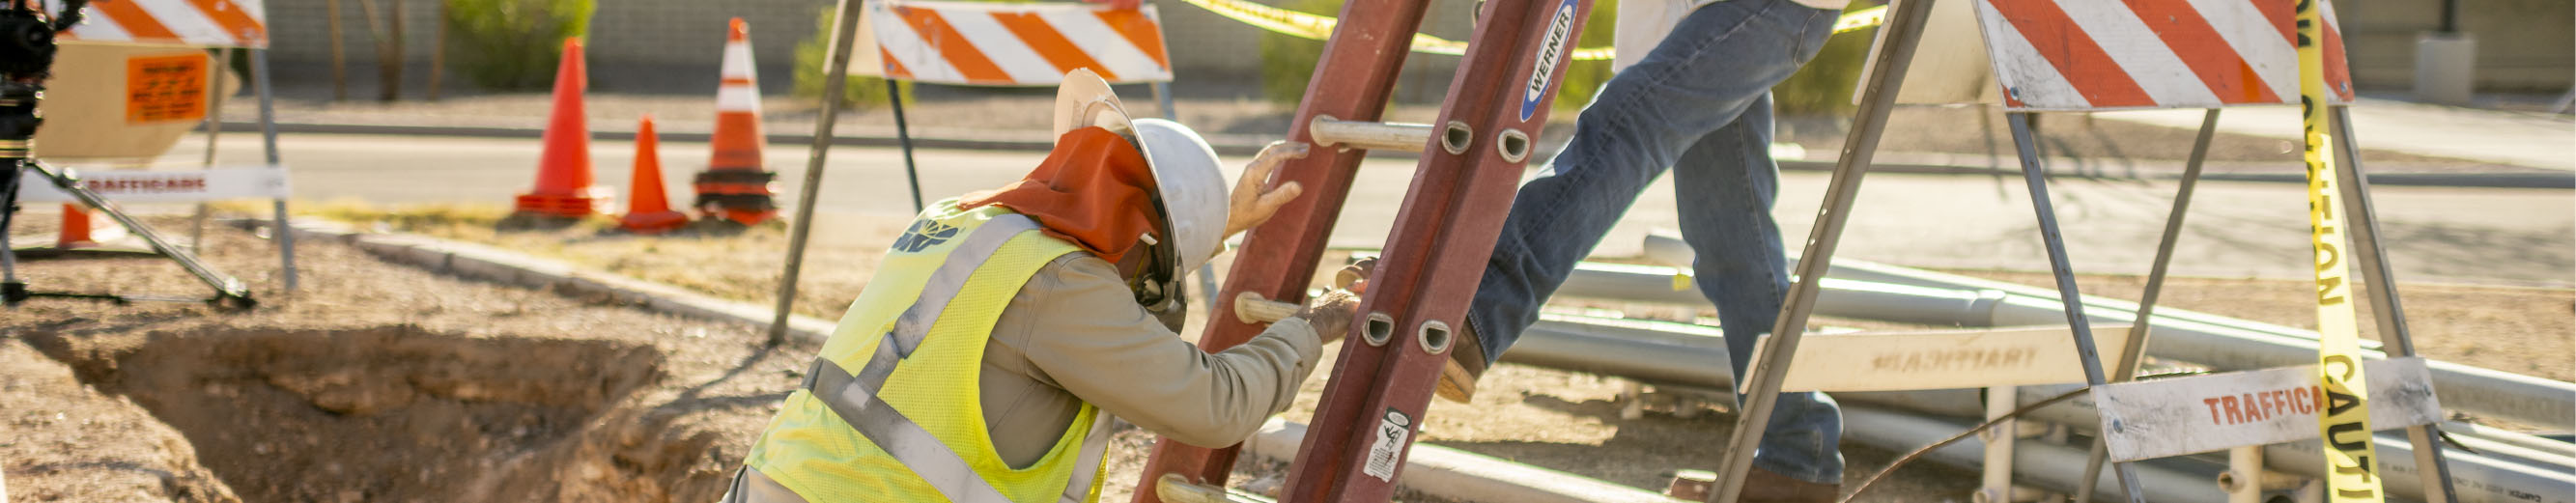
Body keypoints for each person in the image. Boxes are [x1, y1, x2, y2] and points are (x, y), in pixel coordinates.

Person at [721, 70, 1359, 503]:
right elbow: (1215, 406)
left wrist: (1214, 224)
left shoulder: (968, 223)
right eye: (1155, 267)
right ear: (1144, 241)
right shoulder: (1057, 286)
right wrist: (1314, 325)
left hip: (780, 480)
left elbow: (1071, 299)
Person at [1432, 0, 1854, 500]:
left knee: (1626, 124)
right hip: (1695, 14)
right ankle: (1797, 454)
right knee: (1731, 237)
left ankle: (1482, 308)